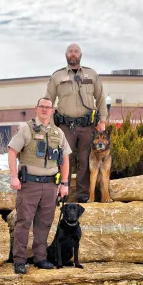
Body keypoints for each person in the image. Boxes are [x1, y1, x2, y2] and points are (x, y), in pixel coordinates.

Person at [8, 97, 72, 274]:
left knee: (44, 224)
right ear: (36, 109)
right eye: (41, 107)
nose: (45, 110)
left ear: (53, 111)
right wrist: (14, 177)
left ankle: (40, 258)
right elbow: (12, 151)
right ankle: (19, 260)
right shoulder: (26, 129)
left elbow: (65, 158)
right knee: (23, 223)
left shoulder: (58, 133)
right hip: (29, 185)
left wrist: (64, 183)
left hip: (51, 186)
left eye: (48, 107)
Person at [46, 44, 106, 203]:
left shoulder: (91, 74)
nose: (73, 54)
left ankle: (83, 195)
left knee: (85, 160)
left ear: (81, 54)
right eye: (70, 51)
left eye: (76, 51)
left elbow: (101, 98)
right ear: (66, 54)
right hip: (66, 127)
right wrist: (50, 126)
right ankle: (62, 193)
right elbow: (48, 102)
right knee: (65, 159)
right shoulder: (57, 77)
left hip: (87, 127)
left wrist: (103, 121)